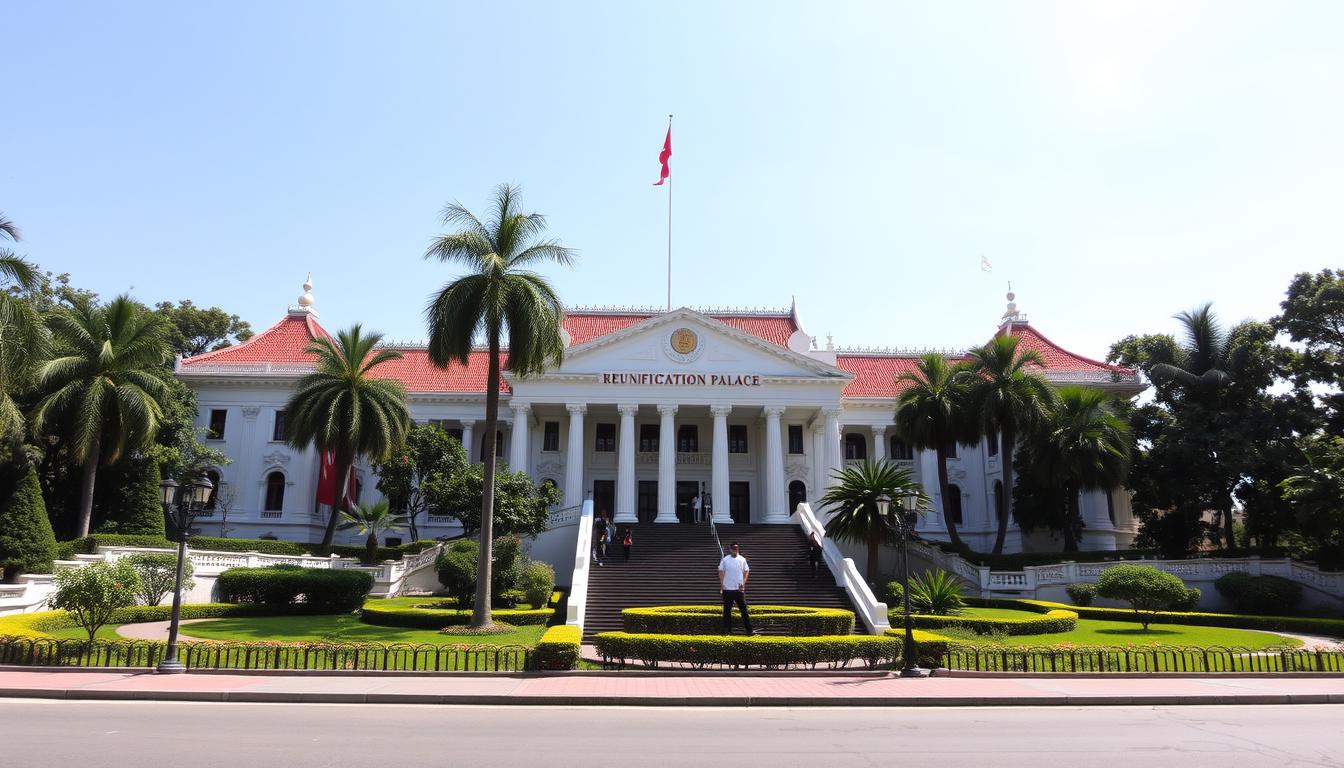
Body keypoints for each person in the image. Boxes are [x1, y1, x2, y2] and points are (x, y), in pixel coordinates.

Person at [718, 542, 755, 635]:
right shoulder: (725, 560)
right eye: (734, 548)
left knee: (744, 610)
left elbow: (746, 571)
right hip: (728, 589)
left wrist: (743, 583)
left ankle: (749, 630)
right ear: (730, 549)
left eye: (737, 548)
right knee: (727, 610)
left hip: (739, 589)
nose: (735, 550)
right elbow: (721, 571)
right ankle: (727, 630)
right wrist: (722, 585)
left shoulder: (742, 559)